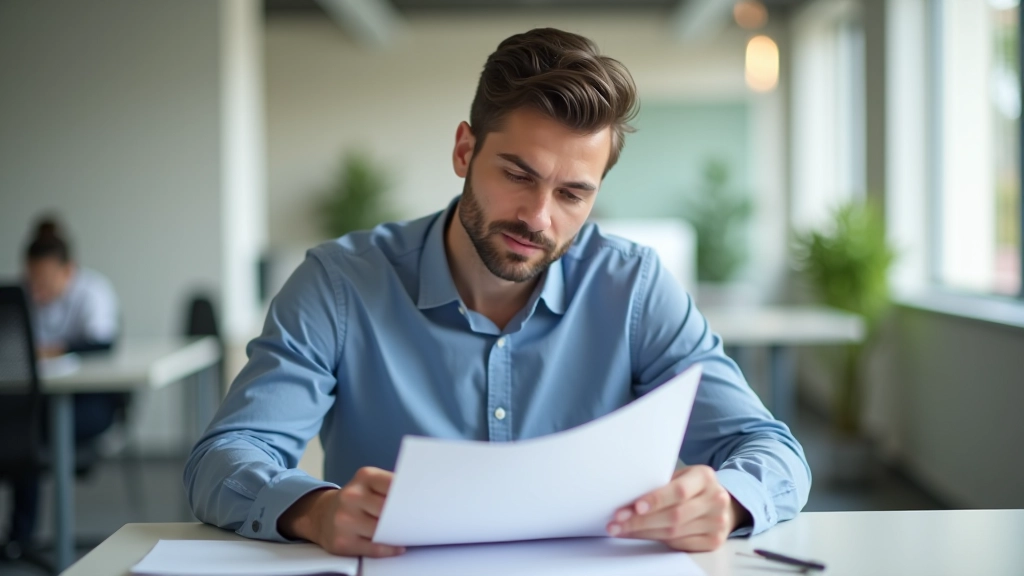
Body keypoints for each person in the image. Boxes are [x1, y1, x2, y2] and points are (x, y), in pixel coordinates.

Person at [184, 28, 811, 558]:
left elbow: (771, 451)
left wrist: (726, 502)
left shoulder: (635, 289)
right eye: (518, 175)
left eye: (572, 194)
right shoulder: (340, 283)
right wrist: (315, 511)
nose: (538, 217)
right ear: (465, 150)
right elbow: (226, 457)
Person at [2, 218, 120, 560]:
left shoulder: (94, 290)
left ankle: (25, 536)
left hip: (90, 402)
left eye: (46, 281)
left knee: (28, 429)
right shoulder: (20, 294)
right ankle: (19, 538)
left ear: (68, 271)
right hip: (38, 399)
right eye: (32, 280)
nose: (37, 291)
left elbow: (103, 344)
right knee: (20, 425)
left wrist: (55, 348)